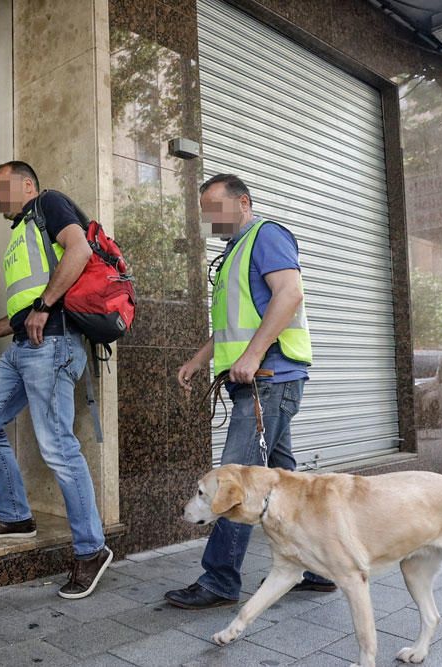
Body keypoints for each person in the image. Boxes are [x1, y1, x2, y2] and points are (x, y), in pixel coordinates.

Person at [164, 173, 336, 609]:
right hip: (259, 382)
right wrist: (198, 361)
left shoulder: (267, 235)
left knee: (233, 481)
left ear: (243, 202)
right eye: (205, 213)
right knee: (289, 483)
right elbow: (229, 328)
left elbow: (289, 294)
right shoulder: (232, 255)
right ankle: (318, 567)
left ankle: (220, 580)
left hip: (268, 380)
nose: (210, 219)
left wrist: (255, 355)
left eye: (215, 209)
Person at [0, 161, 113, 600]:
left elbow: (80, 252)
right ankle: (14, 513)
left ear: (26, 184)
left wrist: (46, 305)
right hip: (26, 348)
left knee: (57, 447)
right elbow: (27, 308)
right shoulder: (20, 234)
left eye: (2, 188)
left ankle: (92, 549)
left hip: (56, 344)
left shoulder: (49, 203)